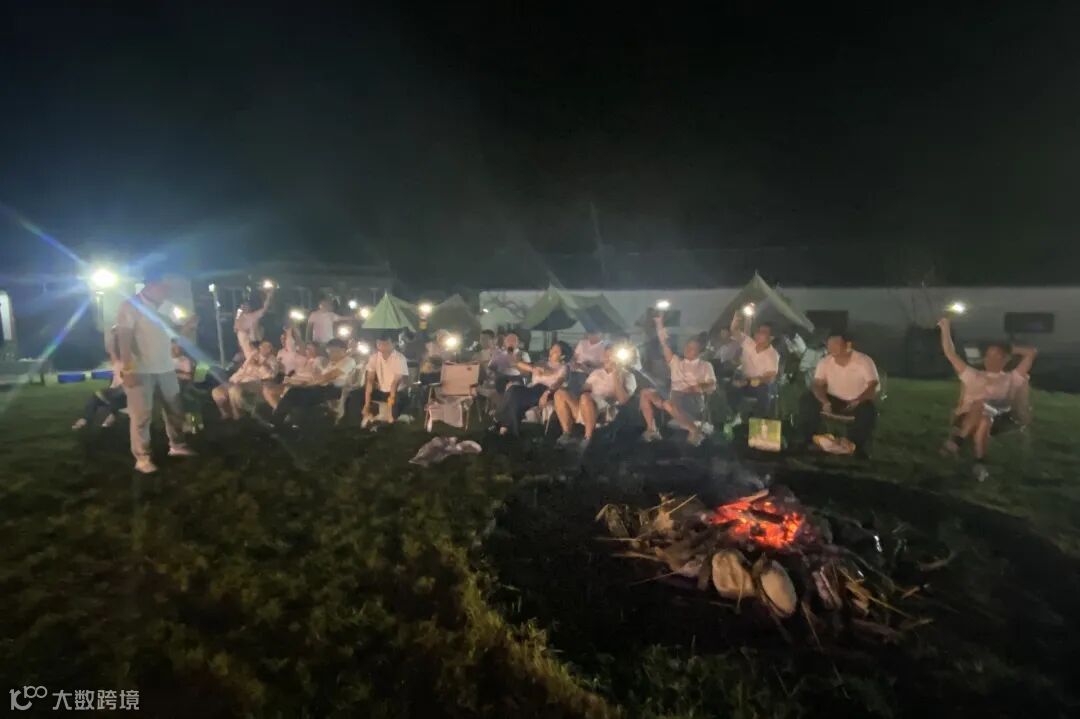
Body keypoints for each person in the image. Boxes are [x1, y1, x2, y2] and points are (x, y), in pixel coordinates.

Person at [115, 275, 196, 473]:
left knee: (175, 408)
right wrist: (127, 369)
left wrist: (187, 327)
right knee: (142, 415)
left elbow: (173, 337)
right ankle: (142, 458)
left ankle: (177, 445)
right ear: (152, 285)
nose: (168, 291)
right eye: (165, 287)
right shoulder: (130, 306)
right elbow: (124, 339)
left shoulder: (165, 307)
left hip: (166, 368)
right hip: (141, 370)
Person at [938, 317, 1036, 480]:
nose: (991, 359)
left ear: (1005, 359)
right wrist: (945, 327)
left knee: (983, 408)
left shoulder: (1011, 377)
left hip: (1000, 418)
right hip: (968, 417)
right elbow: (950, 353)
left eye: (997, 356)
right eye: (989, 355)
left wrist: (1010, 349)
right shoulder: (973, 374)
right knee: (983, 415)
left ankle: (958, 441)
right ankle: (980, 463)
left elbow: (1031, 353)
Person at [797, 332, 880, 456]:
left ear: (848, 345)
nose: (831, 348)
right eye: (829, 344)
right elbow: (817, 385)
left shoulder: (863, 361)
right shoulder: (825, 362)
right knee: (807, 399)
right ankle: (810, 439)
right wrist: (824, 401)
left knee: (868, 410)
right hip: (833, 399)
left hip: (857, 401)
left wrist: (858, 400)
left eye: (835, 344)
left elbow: (873, 385)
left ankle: (856, 446)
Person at [639, 315, 716, 446]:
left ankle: (694, 430)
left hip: (692, 399)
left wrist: (695, 387)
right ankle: (652, 429)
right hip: (673, 396)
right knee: (645, 393)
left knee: (668, 404)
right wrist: (659, 323)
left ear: (699, 352)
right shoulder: (676, 361)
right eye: (687, 346)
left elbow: (712, 385)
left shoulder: (705, 365)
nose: (687, 349)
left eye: (692, 348)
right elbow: (664, 343)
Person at [553, 345, 636, 449]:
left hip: (605, 410)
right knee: (560, 393)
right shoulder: (597, 373)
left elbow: (623, 400)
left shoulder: (628, 375)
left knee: (586, 397)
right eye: (605, 356)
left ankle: (588, 438)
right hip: (586, 405)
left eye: (611, 356)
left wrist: (615, 374)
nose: (607, 358)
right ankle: (566, 434)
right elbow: (583, 390)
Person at [271, 338, 356, 428]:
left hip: (334, 390)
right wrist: (304, 383)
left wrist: (308, 384)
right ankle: (285, 421)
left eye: (333, 351)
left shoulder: (348, 361)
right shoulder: (332, 363)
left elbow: (329, 376)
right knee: (294, 393)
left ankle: (279, 421)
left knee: (296, 393)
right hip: (322, 388)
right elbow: (320, 377)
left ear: (342, 350)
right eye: (329, 352)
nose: (330, 354)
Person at [495, 341, 570, 436]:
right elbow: (518, 363)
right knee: (513, 390)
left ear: (562, 356)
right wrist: (533, 369)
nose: (551, 352)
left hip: (546, 391)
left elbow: (558, 382)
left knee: (514, 394)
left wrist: (547, 392)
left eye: (555, 351)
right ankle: (509, 430)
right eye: (551, 349)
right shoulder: (542, 363)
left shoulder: (563, 368)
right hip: (532, 390)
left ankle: (501, 423)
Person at [211, 334, 280, 419]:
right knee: (216, 391)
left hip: (254, 382)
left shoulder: (272, 360)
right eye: (263, 346)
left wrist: (261, 365)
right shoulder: (253, 355)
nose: (264, 348)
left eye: (268, 346)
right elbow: (243, 368)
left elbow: (271, 375)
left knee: (234, 390)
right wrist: (233, 379)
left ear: (271, 349)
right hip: (238, 380)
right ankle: (225, 414)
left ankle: (237, 415)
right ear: (260, 347)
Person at [73, 326, 127, 429]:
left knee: (118, 393)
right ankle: (85, 419)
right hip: (118, 393)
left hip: (129, 394)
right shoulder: (116, 360)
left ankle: (113, 415)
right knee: (96, 397)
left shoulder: (130, 358)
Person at [727, 313, 779, 417]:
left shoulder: (772, 355)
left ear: (771, 337)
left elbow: (769, 378)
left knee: (764, 390)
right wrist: (736, 320)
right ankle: (732, 416)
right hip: (743, 379)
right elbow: (735, 331)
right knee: (729, 384)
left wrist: (750, 381)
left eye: (763, 332)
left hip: (759, 384)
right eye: (758, 331)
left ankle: (759, 419)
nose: (759, 334)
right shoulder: (749, 343)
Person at [356, 335, 411, 424]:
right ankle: (364, 420)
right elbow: (370, 380)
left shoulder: (399, 358)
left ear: (393, 344)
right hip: (381, 390)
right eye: (379, 344)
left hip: (397, 392)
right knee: (357, 394)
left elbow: (395, 384)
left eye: (386, 344)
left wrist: (390, 409)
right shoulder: (374, 357)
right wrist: (367, 404)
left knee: (392, 413)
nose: (382, 346)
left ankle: (394, 419)